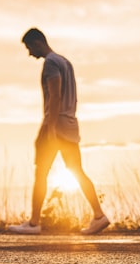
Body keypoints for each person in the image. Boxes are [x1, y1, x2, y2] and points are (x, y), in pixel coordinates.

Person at [8, 28, 110, 235]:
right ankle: (99, 216)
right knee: (76, 170)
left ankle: (34, 223)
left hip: (56, 127)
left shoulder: (51, 63)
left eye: (29, 48)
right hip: (71, 125)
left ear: (38, 42)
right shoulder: (66, 62)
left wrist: (49, 129)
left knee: (41, 173)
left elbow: (55, 96)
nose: (29, 53)